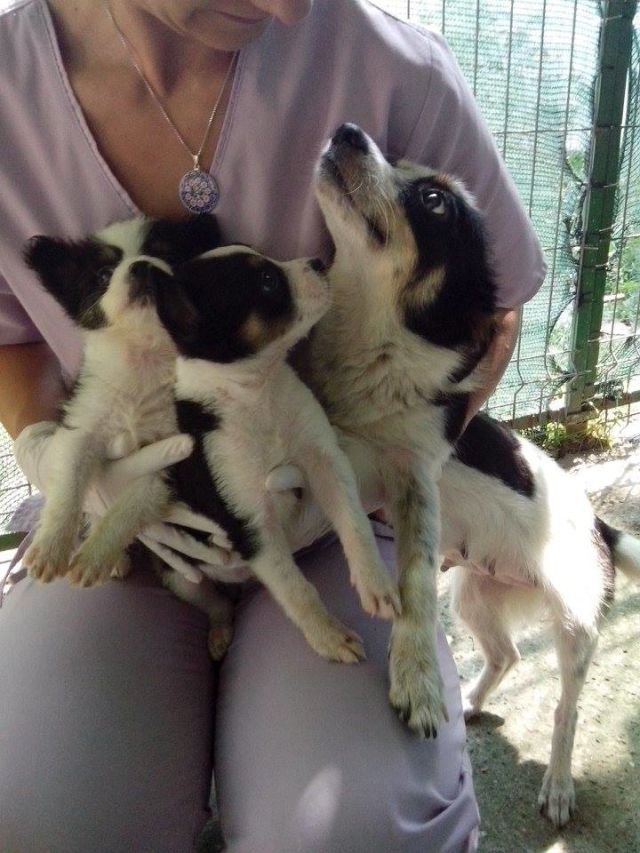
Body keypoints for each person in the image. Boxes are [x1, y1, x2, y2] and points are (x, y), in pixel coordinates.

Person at [0, 1, 546, 850]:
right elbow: (13, 336)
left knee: (360, 829)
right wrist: (54, 452)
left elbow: (492, 308)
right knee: (43, 815)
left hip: (329, 524)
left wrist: (377, 467)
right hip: (131, 516)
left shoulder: (394, 70)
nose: (293, 8)